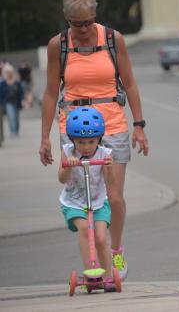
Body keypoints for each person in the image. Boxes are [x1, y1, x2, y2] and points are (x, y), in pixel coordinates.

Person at [39, 0, 149, 281]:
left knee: (113, 196)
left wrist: (139, 126)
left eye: (89, 22)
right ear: (66, 19)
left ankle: (116, 249)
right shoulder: (58, 45)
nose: (85, 29)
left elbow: (130, 83)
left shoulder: (113, 39)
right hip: (73, 129)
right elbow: (51, 93)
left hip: (112, 123)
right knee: (84, 196)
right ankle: (94, 261)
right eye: (78, 24)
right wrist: (44, 138)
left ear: (95, 15)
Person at [59, 107, 116, 291]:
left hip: (98, 203)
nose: (86, 146)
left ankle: (108, 276)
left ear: (99, 138)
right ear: (72, 139)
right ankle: (91, 274)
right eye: (81, 142)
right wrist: (68, 164)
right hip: (74, 202)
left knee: (100, 237)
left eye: (91, 141)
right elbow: (61, 178)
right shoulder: (67, 151)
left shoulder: (105, 153)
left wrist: (108, 168)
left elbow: (110, 182)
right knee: (85, 229)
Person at [0, 63, 24, 137]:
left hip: (17, 102)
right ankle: (13, 131)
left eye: (10, 72)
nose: (9, 74)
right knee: (11, 117)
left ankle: (16, 130)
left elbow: (21, 92)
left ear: (12, 73)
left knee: (16, 118)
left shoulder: (17, 82)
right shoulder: (3, 83)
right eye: (7, 73)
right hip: (8, 102)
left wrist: (22, 100)